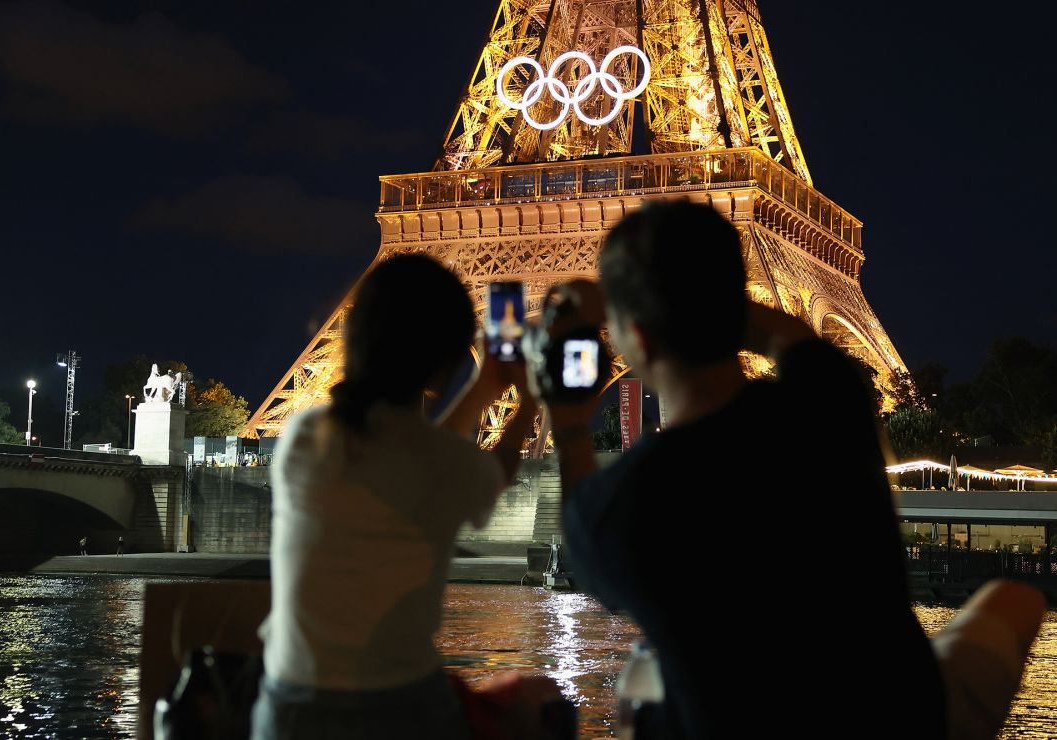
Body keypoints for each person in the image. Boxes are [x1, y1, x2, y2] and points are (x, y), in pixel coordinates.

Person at [538, 200, 1043, 739]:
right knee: (1016, 599)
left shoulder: (619, 506)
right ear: (734, 303)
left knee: (640, 696)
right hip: (903, 717)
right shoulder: (830, 402)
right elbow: (794, 337)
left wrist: (565, 418)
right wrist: (703, 300)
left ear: (636, 339)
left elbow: (579, 524)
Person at [252, 254, 540, 740]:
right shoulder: (441, 463)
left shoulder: (304, 436)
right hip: (401, 711)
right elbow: (492, 465)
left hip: (288, 709)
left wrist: (483, 388)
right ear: (444, 366)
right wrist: (529, 399)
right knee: (536, 703)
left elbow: (418, 455)